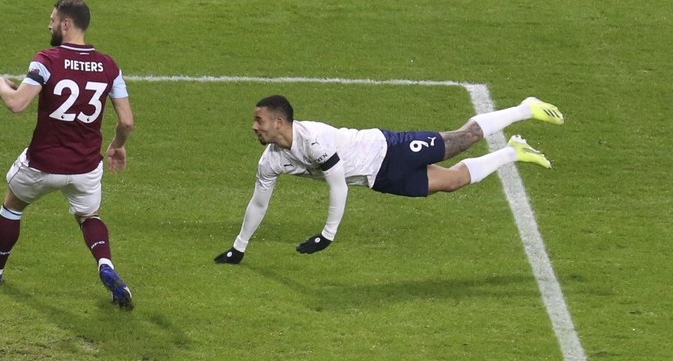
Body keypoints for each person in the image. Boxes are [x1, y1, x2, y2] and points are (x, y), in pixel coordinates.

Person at [214, 93, 562, 263]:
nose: (254, 126)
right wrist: (238, 248)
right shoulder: (271, 161)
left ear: (278, 122)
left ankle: (523, 108)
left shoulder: (314, 140)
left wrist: (327, 236)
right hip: (377, 178)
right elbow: (259, 202)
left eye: (259, 120)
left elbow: (337, 186)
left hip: (390, 149)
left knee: (463, 139)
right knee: (452, 182)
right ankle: (513, 152)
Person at [0, 0, 137, 308]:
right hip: (86, 167)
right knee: (88, 215)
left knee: (13, 203)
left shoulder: (46, 60)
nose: (48, 25)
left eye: (52, 19)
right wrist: (117, 146)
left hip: (43, 164)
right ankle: (106, 265)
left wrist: (1, 84)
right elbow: (127, 121)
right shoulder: (109, 66)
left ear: (65, 24)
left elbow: (16, 103)